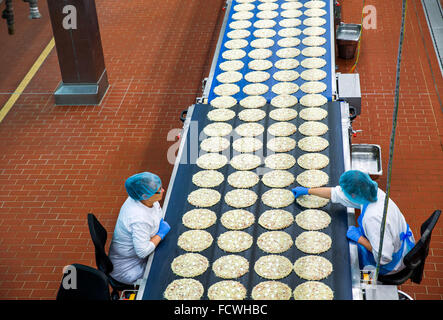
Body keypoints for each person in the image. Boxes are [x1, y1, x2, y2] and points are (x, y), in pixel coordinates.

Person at [292, 170, 415, 275]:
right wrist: (308, 191)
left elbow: (383, 257)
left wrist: (359, 238)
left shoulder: (372, 219)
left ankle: (367, 284)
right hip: (401, 243)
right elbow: (336, 193)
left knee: (356, 267)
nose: (343, 192)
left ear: (353, 195)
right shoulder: (374, 193)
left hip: (393, 263)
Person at [109, 172, 171, 285]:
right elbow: (142, 252)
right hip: (129, 267)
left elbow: (155, 211)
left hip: (138, 254)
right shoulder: (139, 218)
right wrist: (160, 233)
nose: (163, 190)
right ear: (145, 196)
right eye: (159, 189)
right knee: (165, 278)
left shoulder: (142, 197)